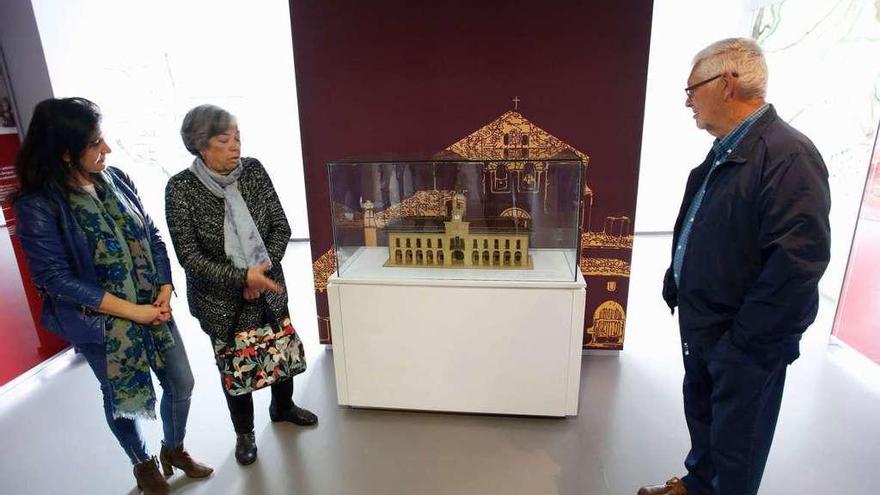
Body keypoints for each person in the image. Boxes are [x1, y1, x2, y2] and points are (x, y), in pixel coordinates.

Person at [639, 38, 831, 495]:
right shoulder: (727, 150)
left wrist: (742, 344)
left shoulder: (789, 156)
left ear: (727, 84)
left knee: (738, 443)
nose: (687, 100)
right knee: (706, 419)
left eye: (692, 88)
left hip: (743, 340)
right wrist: (679, 282)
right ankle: (697, 484)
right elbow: (707, 223)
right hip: (709, 325)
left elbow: (797, 266)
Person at [13, 98, 212, 495]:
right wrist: (133, 313)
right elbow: (55, 279)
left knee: (181, 381)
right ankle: (143, 465)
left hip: (153, 308)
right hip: (102, 323)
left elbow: (151, 235)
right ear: (66, 153)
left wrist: (164, 288)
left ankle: (173, 449)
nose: (107, 150)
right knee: (121, 397)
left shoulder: (116, 178)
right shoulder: (37, 206)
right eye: (95, 143)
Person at [165, 104, 317, 466]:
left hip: (267, 287)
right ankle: (244, 433)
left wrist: (261, 273)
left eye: (238, 137)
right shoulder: (180, 189)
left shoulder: (254, 171)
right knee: (238, 369)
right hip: (222, 301)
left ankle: (283, 407)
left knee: (280, 354)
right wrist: (241, 279)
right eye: (224, 139)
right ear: (202, 145)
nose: (235, 146)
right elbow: (190, 256)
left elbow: (281, 227)